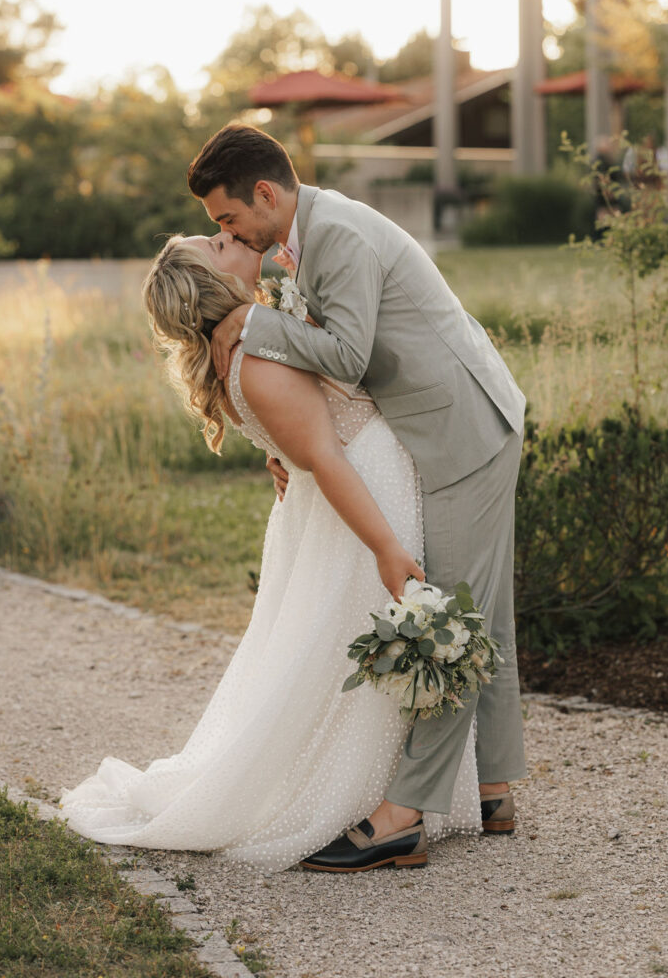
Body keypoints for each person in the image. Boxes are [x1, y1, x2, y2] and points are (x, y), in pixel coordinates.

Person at [58, 231, 482, 871]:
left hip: (342, 499)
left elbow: (298, 427)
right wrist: (385, 547)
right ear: (215, 285)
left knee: (330, 643)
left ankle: (405, 795)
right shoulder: (255, 357)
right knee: (353, 640)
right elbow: (326, 454)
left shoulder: (252, 339)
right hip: (361, 495)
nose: (227, 237)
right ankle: (365, 800)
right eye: (215, 243)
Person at [189, 123, 528, 871]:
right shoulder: (308, 238)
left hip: (461, 432)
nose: (229, 232)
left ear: (266, 194)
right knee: (482, 611)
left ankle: (403, 816)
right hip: (458, 423)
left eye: (227, 218)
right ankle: (494, 787)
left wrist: (255, 321)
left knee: (451, 619)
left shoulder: (335, 234)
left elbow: (346, 352)